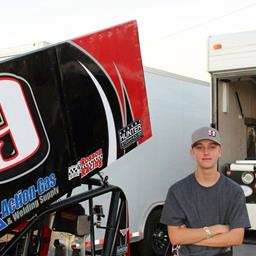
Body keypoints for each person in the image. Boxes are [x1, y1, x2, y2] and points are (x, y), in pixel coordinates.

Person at [160, 126, 251, 256]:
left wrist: (189, 237)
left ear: (220, 151)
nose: (206, 152)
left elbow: (236, 238)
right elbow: (175, 237)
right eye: (199, 147)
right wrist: (217, 229)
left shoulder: (234, 191)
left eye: (212, 147)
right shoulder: (177, 191)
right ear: (192, 152)